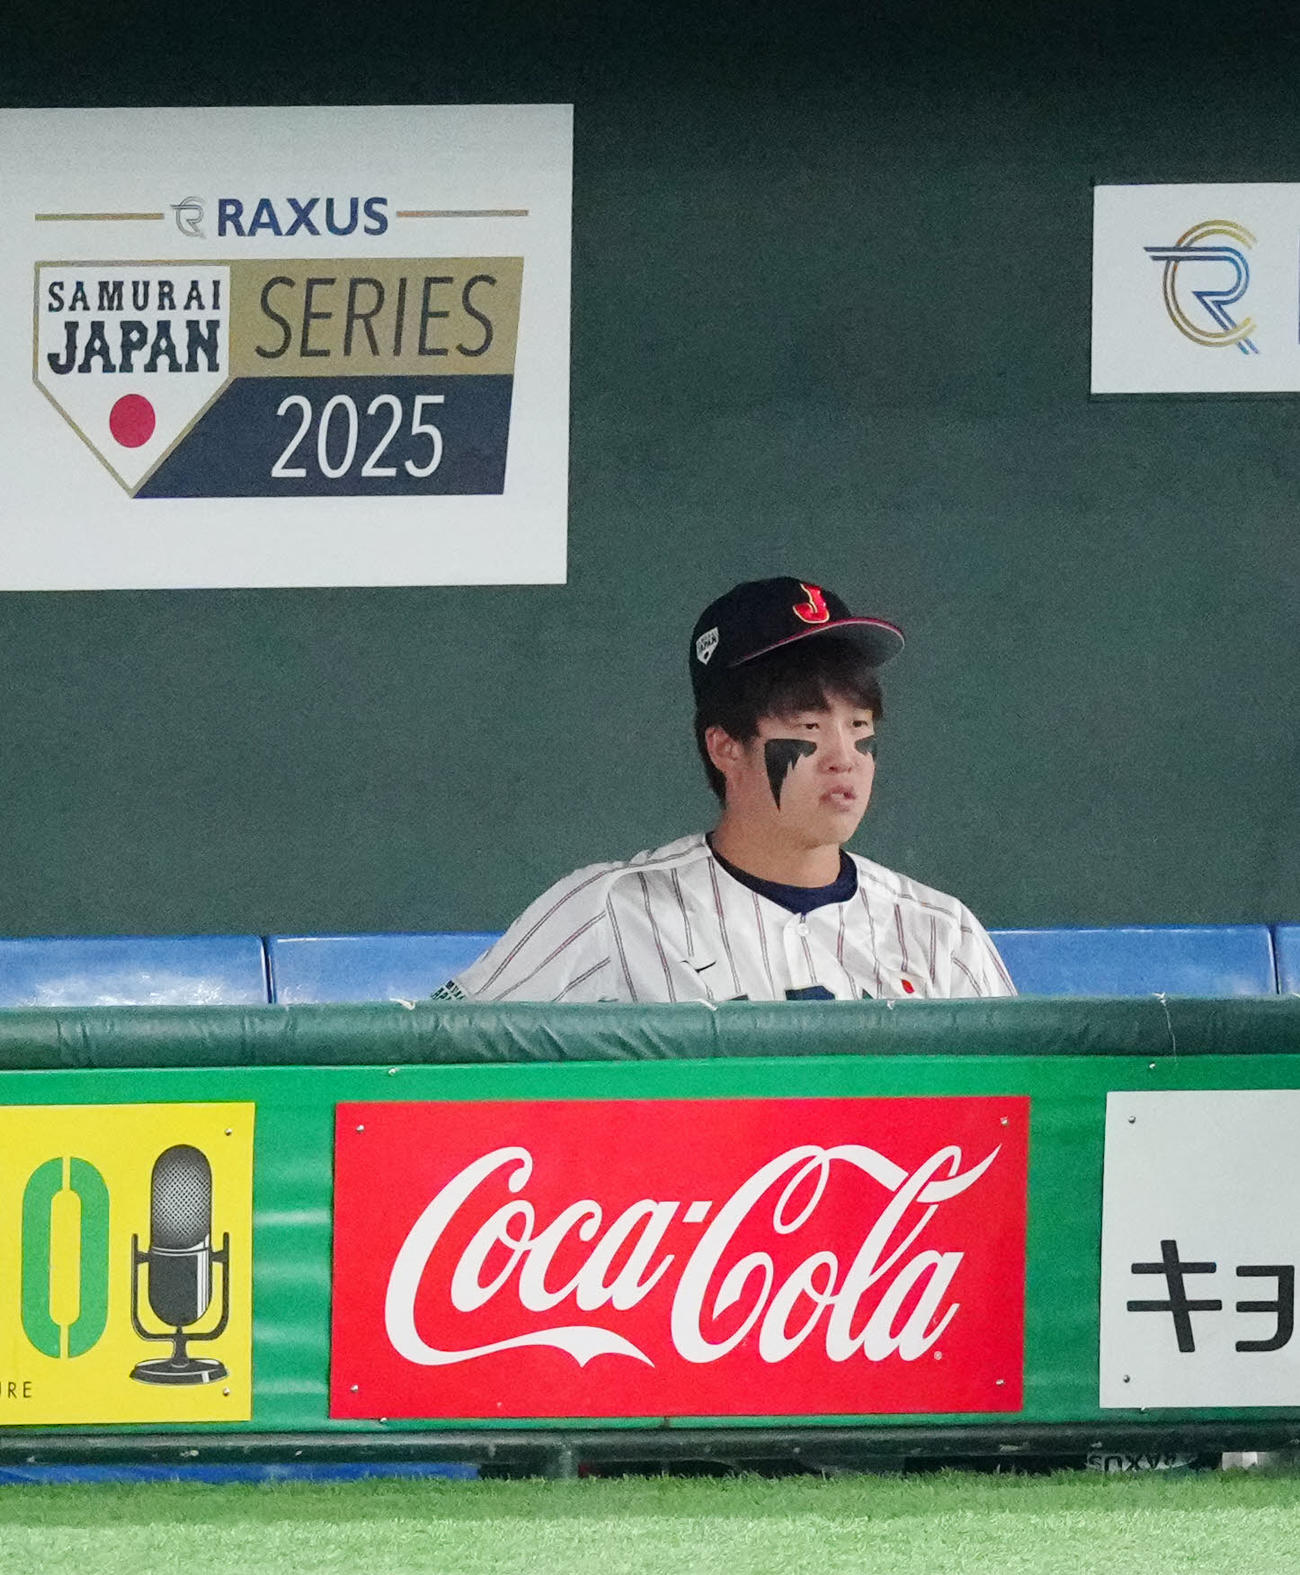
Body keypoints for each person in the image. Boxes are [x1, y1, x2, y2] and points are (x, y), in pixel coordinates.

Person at [435, 577, 1015, 1003]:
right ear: (725, 747)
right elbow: (424, 1065)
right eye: (809, 727)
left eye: (859, 725)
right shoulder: (612, 909)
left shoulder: (942, 932)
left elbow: (1027, 1112)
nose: (845, 757)